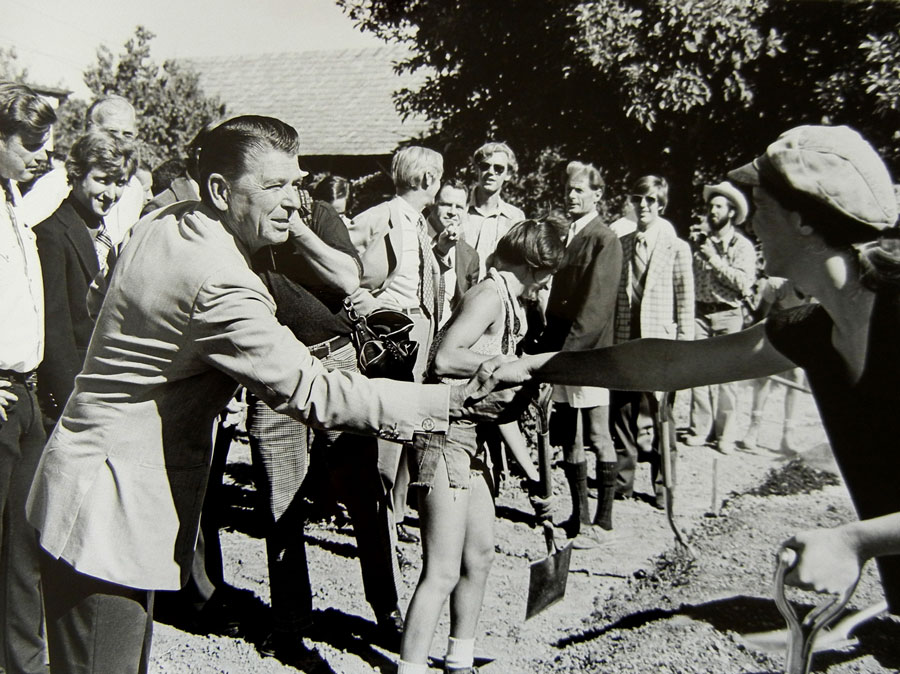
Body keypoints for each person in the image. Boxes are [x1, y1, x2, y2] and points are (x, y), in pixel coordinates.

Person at [22, 115, 513, 672]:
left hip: (89, 485)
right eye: (273, 187)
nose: (293, 203)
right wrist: (447, 404)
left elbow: (97, 302)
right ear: (219, 190)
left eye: (296, 184)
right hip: (108, 511)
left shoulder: (163, 221)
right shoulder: (219, 278)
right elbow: (311, 390)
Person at [477, 124, 900, 617]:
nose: (753, 223)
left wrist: (855, 541)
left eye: (761, 206)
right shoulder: (813, 328)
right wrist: (535, 365)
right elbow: (671, 363)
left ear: (803, 218)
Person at [397, 220, 564, 674]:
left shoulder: (511, 305)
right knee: (443, 570)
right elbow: (445, 358)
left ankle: (459, 659)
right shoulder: (489, 296)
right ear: (534, 266)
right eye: (547, 273)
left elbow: (501, 406)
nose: (547, 284)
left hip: (475, 438)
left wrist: (533, 475)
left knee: (481, 555)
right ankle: (409, 668)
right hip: (444, 433)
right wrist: (514, 366)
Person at [246, 193, 405, 662]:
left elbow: (347, 277)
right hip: (271, 371)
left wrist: (296, 226)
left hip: (337, 361)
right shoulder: (238, 219)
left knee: (364, 495)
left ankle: (387, 609)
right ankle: (291, 621)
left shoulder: (315, 213)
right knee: (280, 501)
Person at [347, 146, 447, 545]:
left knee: (407, 430)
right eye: (438, 177)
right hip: (393, 333)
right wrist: (374, 313)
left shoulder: (421, 224)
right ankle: (380, 531)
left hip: (422, 333)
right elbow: (342, 273)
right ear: (427, 180)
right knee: (387, 437)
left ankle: (397, 518)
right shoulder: (380, 217)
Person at [0, 80, 57, 674]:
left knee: (25, 545)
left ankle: (24, 664)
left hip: (24, 393)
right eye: (32, 141)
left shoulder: (14, 198)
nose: (44, 153)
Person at [540, 160, 622, 549]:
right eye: (568, 189)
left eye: (578, 190)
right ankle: (580, 519)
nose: (570, 195)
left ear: (597, 194)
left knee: (597, 434)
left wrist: (570, 354)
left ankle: (603, 522)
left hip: (587, 354)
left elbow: (596, 306)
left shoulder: (604, 239)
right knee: (569, 438)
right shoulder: (567, 235)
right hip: (563, 351)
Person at [34, 130, 137, 424]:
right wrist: (73, 402)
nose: (111, 193)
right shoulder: (52, 234)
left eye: (120, 183)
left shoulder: (108, 234)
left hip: (107, 385)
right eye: (102, 180)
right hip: (74, 392)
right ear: (77, 174)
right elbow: (55, 330)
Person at [611, 176, 693, 508]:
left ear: (661, 204)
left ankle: (665, 487)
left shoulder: (676, 247)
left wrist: (684, 349)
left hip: (659, 342)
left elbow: (685, 301)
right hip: (625, 338)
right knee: (623, 411)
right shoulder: (623, 242)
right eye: (638, 199)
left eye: (650, 200)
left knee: (661, 416)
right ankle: (622, 482)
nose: (643, 205)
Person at [684, 180, 756, 454]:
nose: (712, 211)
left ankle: (725, 434)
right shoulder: (700, 243)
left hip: (729, 315)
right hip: (700, 314)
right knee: (698, 374)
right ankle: (700, 429)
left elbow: (744, 284)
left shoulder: (743, 246)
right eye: (710, 206)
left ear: (731, 212)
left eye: (718, 207)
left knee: (727, 377)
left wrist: (715, 260)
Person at [16, 95, 144, 244]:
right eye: (112, 132)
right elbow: (23, 234)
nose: (120, 141)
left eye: (127, 134)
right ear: (89, 130)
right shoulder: (59, 181)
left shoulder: (134, 188)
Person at [462, 141, 526, 277]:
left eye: (498, 168)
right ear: (476, 169)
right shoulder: (459, 210)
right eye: (485, 166)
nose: (490, 172)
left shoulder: (516, 218)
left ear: (508, 174)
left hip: (494, 294)